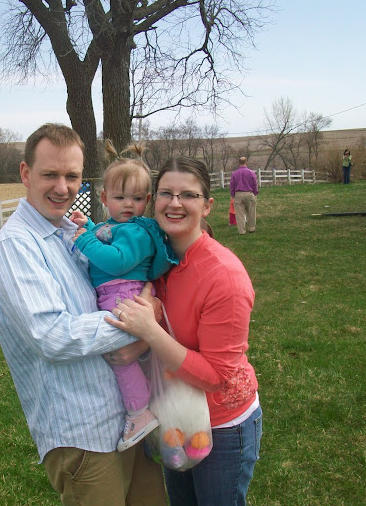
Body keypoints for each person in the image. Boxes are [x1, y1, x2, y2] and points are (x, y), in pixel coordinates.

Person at [0, 124, 167, 506]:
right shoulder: (16, 247)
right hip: (83, 433)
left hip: (128, 417)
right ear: (25, 174)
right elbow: (52, 335)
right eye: (50, 174)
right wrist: (142, 322)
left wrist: (143, 334)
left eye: (72, 175)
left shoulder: (73, 231)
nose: (62, 187)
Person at [105, 157, 262, 506]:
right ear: (153, 200)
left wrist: (149, 333)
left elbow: (216, 376)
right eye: (166, 193)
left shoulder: (225, 277)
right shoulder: (156, 257)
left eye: (188, 195)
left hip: (222, 426)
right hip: (173, 414)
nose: (175, 203)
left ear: (207, 206)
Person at [69, 140, 177, 452]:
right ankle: (141, 408)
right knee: (123, 357)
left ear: (147, 199)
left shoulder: (138, 232)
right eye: (119, 197)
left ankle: (139, 413)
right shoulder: (115, 225)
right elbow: (105, 235)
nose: (128, 204)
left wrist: (84, 241)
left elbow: (116, 260)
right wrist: (89, 226)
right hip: (118, 294)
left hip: (124, 296)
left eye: (137, 198)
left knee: (121, 360)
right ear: (104, 198)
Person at [229, 156, 259, 234]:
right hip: (249, 193)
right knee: (251, 212)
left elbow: (232, 185)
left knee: (240, 214)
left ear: (239, 163)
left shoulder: (234, 174)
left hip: (238, 194)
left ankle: (241, 231)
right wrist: (255, 193)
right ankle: (251, 228)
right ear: (246, 162)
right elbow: (255, 184)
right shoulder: (251, 172)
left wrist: (233, 194)